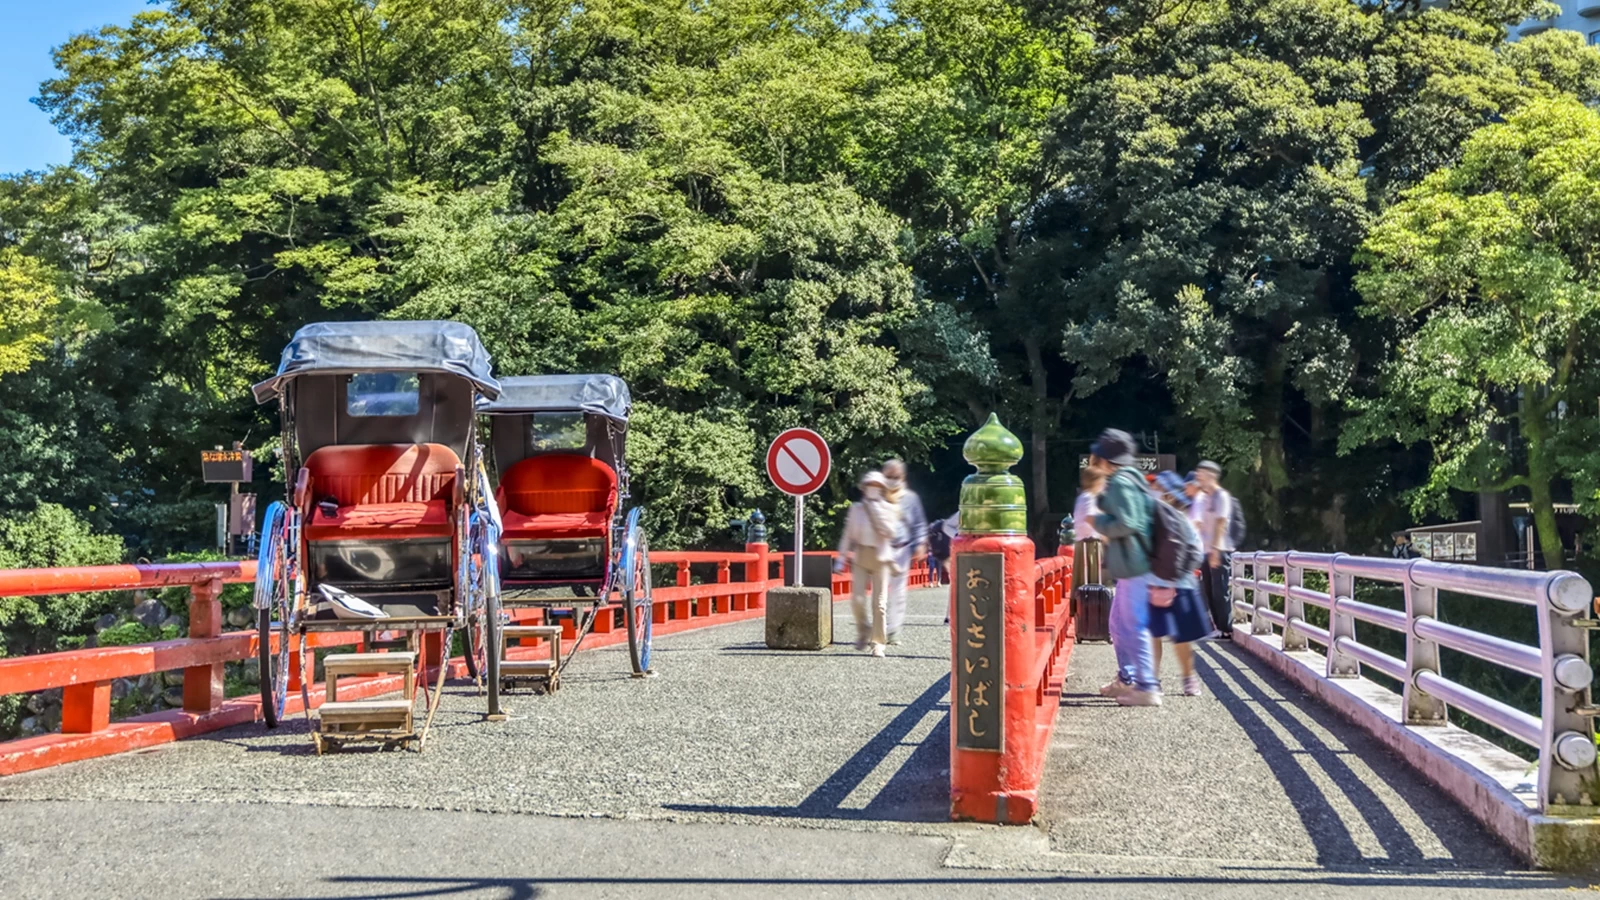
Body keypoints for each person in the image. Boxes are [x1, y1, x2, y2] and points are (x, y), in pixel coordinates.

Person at [1088, 428, 1161, 707]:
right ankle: (1129, 678)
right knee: (1119, 624)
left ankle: (1146, 687)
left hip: (1136, 565)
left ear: (1106, 459)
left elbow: (1129, 523)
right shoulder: (1132, 480)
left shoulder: (1121, 481)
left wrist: (1099, 523)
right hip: (1136, 564)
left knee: (1132, 626)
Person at [1149, 472, 1209, 696]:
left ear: (1167, 494)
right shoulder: (1185, 521)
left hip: (1156, 585)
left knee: (1155, 635)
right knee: (1181, 638)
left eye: (1158, 488)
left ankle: (1153, 681)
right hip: (1182, 584)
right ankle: (1188, 679)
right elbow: (1197, 553)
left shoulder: (1156, 520)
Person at [836, 470, 903, 657]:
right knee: (857, 600)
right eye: (870, 486)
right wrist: (841, 558)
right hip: (861, 554)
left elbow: (891, 533)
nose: (873, 489)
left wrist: (878, 514)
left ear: (881, 489)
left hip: (881, 556)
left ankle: (878, 642)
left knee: (879, 603)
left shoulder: (889, 508)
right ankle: (863, 628)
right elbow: (848, 534)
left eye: (876, 486)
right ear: (864, 488)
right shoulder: (856, 508)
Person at [882, 459, 929, 645]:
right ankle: (880, 629)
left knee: (898, 592)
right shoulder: (876, 495)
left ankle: (894, 630)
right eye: (889, 477)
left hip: (902, 549)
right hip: (881, 549)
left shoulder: (910, 498)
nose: (892, 480)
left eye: (896, 477)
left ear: (903, 477)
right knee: (880, 591)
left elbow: (918, 523)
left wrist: (920, 544)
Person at [1190, 460, 1235, 640]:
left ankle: (1226, 628)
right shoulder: (1203, 497)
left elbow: (1221, 523)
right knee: (1208, 590)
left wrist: (1215, 549)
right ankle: (1218, 628)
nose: (1199, 478)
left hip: (1220, 549)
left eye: (1201, 474)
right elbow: (1197, 521)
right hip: (1206, 550)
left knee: (1220, 591)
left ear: (1211, 475)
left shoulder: (1221, 496)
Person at [1072, 468, 1105, 592]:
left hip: (1083, 542)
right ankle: (1091, 607)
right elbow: (1090, 519)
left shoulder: (1083, 497)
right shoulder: (1089, 498)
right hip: (1090, 543)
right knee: (1090, 579)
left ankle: (1080, 606)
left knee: (1082, 577)